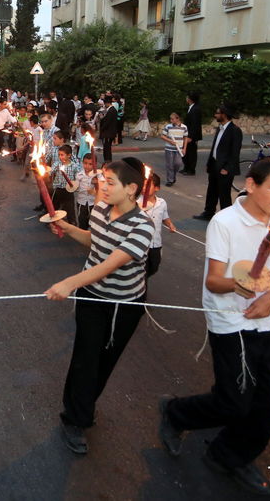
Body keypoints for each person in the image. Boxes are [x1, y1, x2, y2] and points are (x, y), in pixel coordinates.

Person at [158, 158, 270, 496]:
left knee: (265, 407)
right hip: (230, 320)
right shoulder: (224, 222)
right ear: (251, 185)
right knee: (234, 401)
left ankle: (230, 456)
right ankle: (176, 412)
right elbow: (214, 281)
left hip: (268, 319)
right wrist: (245, 287)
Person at [45, 158, 156, 455]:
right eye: (102, 181)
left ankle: (85, 403)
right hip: (93, 298)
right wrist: (68, 228)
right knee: (85, 358)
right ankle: (75, 418)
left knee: (106, 361)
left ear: (131, 189)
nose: (102, 187)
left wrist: (70, 282)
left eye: (110, 183)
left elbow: (110, 264)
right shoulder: (100, 209)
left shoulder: (143, 226)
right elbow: (95, 242)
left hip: (126, 305)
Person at [194, 104, 243, 221]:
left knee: (224, 193)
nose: (215, 115)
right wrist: (209, 162)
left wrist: (227, 167)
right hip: (215, 164)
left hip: (225, 168)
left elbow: (235, 152)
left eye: (217, 113)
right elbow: (215, 147)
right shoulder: (220, 128)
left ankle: (227, 218)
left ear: (224, 115)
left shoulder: (235, 131)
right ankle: (208, 212)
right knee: (212, 190)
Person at [138, 173, 175, 278]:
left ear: (157, 188)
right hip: (141, 243)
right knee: (142, 271)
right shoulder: (136, 202)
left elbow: (165, 217)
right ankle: (141, 284)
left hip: (156, 243)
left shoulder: (161, 203)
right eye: (143, 185)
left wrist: (170, 224)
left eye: (148, 185)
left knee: (154, 266)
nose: (144, 188)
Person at [160, 112, 189, 186]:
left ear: (177, 118)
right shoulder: (168, 126)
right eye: (170, 119)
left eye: (172, 119)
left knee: (178, 163)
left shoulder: (184, 127)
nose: (171, 120)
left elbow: (185, 138)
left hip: (179, 149)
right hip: (169, 149)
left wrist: (184, 148)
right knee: (169, 165)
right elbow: (162, 136)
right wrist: (170, 141)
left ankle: (173, 176)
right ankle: (170, 180)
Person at [182, 93, 202, 175]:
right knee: (186, 152)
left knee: (192, 153)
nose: (186, 98)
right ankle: (186, 167)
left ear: (190, 99)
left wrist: (191, 136)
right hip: (187, 134)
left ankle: (191, 170)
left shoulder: (195, 109)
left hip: (191, 136)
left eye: (187, 97)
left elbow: (195, 124)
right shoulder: (191, 108)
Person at [97, 96, 119, 164]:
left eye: (104, 103)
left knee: (107, 148)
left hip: (108, 133)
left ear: (107, 103)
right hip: (108, 132)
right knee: (107, 147)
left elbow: (107, 122)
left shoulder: (111, 110)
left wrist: (101, 129)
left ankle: (108, 161)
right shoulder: (111, 110)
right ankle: (107, 161)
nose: (104, 105)